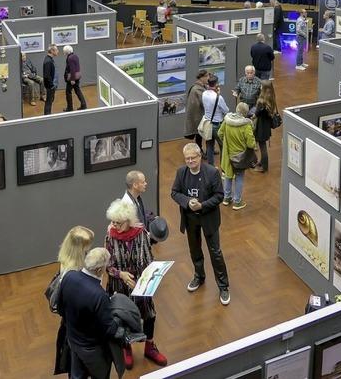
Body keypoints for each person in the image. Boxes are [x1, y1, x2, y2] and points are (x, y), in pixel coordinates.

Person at [104, 199, 168, 369]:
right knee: (123, 318)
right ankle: (127, 347)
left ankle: (149, 346)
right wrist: (121, 275)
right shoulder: (110, 236)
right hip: (119, 286)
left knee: (149, 315)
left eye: (118, 223)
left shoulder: (141, 234)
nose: (114, 225)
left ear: (129, 221)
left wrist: (145, 278)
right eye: (113, 222)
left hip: (141, 284)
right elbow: (107, 266)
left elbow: (149, 259)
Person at [171, 143, 230, 305]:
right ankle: (199, 276)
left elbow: (219, 196)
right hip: (190, 219)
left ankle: (224, 287)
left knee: (215, 253)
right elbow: (174, 192)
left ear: (200, 157)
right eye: (187, 158)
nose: (190, 161)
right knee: (195, 251)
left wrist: (202, 205)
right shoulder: (181, 172)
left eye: (193, 158)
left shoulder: (212, 173)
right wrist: (188, 202)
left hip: (208, 219)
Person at [61, 247, 119, 379]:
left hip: (73, 340)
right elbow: (109, 329)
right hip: (93, 350)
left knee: (76, 375)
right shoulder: (99, 295)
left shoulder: (69, 276)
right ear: (99, 270)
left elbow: (60, 306)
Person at [54, 226, 95, 375]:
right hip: (77, 326)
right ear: (79, 248)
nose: (89, 249)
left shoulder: (67, 258)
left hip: (73, 322)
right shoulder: (72, 272)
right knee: (78, 364)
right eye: (87, 247)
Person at [218, 102, 256, 210]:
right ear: (245, 113)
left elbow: (220, 133)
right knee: (239, 177)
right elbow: (250, 144)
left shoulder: (227, 120)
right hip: (240, 157)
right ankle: (237, 202)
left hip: (227, 154)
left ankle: (226, 198)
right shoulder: (246, 125)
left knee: (228, 176)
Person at [201, 74, 229, 166]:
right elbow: (226, 110)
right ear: (216, 84)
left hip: (208, 124)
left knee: (209, 146)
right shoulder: (218, 97)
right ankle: (223, 166)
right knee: (222, 146)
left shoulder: (204, 93)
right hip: (218, 125)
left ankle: (211, 166)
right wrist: (218, 94)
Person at [253, 80, 278, 173]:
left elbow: (256, 113)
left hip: (261, 126)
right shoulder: (272, 98)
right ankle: (261, 162)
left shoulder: (261, 102)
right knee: (262, 145)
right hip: (266, 125)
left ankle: (264, 166)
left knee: (262, 147)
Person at [184, 70, 210, 155]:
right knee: (199, 134)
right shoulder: (197, 89)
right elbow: (204, 101)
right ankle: (200, 151)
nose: (208, 78)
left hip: (198, 115)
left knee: (200, 134)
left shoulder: (199, 87)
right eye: (206, 76)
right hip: (197, 116)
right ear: (201, 77)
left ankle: (205, 150)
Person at [63, 45, 87, 111]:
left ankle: (70, 107)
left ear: (66, 52)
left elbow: (72, 69)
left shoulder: (70, 58)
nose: (63, 53)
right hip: (77, 76)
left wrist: (72, 79)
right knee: (77, 90)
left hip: (72, 78)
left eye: (64, 51)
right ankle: (83, 104)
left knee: (68, 92)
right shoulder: (75, 56)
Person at [43, 44, 59, 115]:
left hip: (51, 85)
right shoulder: (48, 61)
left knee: (50, 101)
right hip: (50, 86)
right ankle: (47, 116)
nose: (58, 51)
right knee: (49, 102)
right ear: (52, 51)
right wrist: (51, 85)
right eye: (56, 50)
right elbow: (47, 75)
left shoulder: (50, 60)